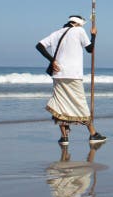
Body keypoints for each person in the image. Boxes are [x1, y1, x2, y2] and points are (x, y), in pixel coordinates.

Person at [36, 15, 107, 145]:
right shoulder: (79, 31)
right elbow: (90, 50)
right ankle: (93, 133)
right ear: (77, 24)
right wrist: (94, 35)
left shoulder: (56, 33)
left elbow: (39, 46)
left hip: (58, 74)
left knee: (60, 104)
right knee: (80, 102)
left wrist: (52, 61)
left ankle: (64, 137)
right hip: (73, 74)